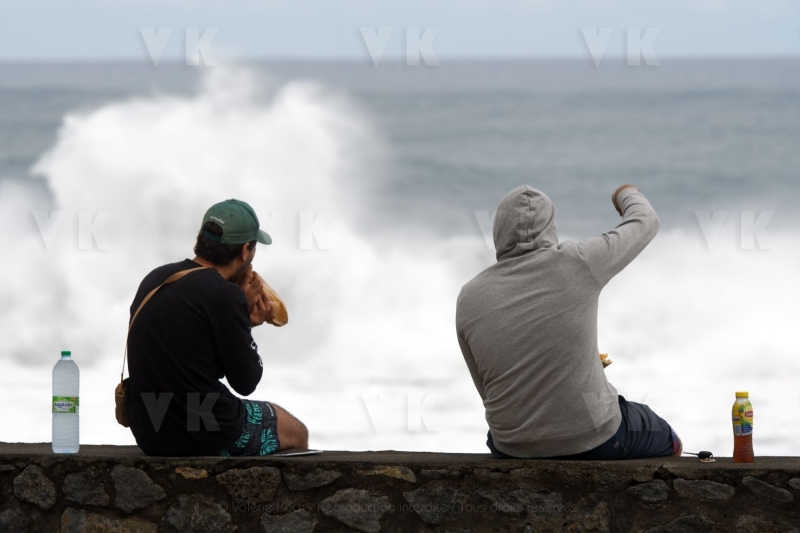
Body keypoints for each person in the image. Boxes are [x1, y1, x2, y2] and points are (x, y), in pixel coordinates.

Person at [456, 185, 682, 459]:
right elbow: (646, 221)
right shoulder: (579, 261)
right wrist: (625, 193)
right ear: (550, 226)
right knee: (667, 437)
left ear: (499, 230)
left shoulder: (469, 296)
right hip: (595, 439)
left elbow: (488, 390)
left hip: (510, 446)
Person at [125, 199, 308, 456]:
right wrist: (242, 317)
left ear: (201, 238)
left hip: (151, 433)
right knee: (296, 432)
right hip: (205, 433)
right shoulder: (225, 295)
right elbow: (246, 381)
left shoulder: (156, 278)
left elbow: (193, 358)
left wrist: (238, 319)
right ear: (245, 251)